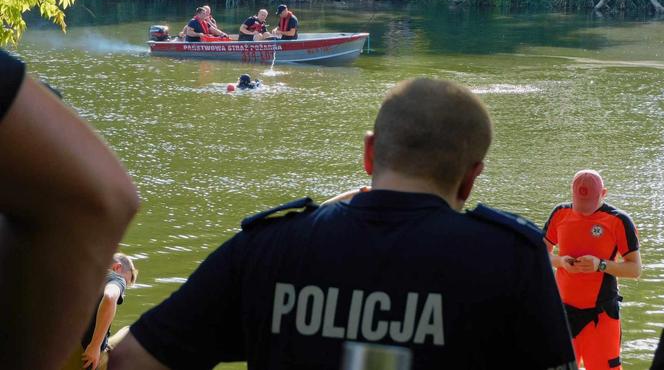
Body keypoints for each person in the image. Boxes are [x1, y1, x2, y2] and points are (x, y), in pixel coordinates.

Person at [110, 77, 575, 370]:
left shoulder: (271, 247)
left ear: (370, 152)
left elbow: (131, 359)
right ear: (472, 177)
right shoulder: (511, 258)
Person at [0, 49, 139, 370]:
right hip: (71, 353)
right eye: (130, 278)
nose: (127, 285)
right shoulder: (109, 278)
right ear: (119, 269)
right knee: (134, 339)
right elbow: (109, 202)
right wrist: (92, 346)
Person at [544, 170, 642, 370]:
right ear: (572, 193)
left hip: (601, 316)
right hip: (563, 313)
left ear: (604, 194)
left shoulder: (619, 221)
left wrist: (601, 265)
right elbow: (539, 255)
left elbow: (635, 269)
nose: (584, 210)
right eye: (580, 203)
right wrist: (560, 262)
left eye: (589, 204)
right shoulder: (560, 213)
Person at [61, 253, 138, 370]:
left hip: (57, 351)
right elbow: (110, 297)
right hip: (86, 357)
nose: (124, 288)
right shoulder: (115, 278)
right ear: (117, 267)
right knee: (132, 333)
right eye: (126, 282)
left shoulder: (82, 273)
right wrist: (94, 346)